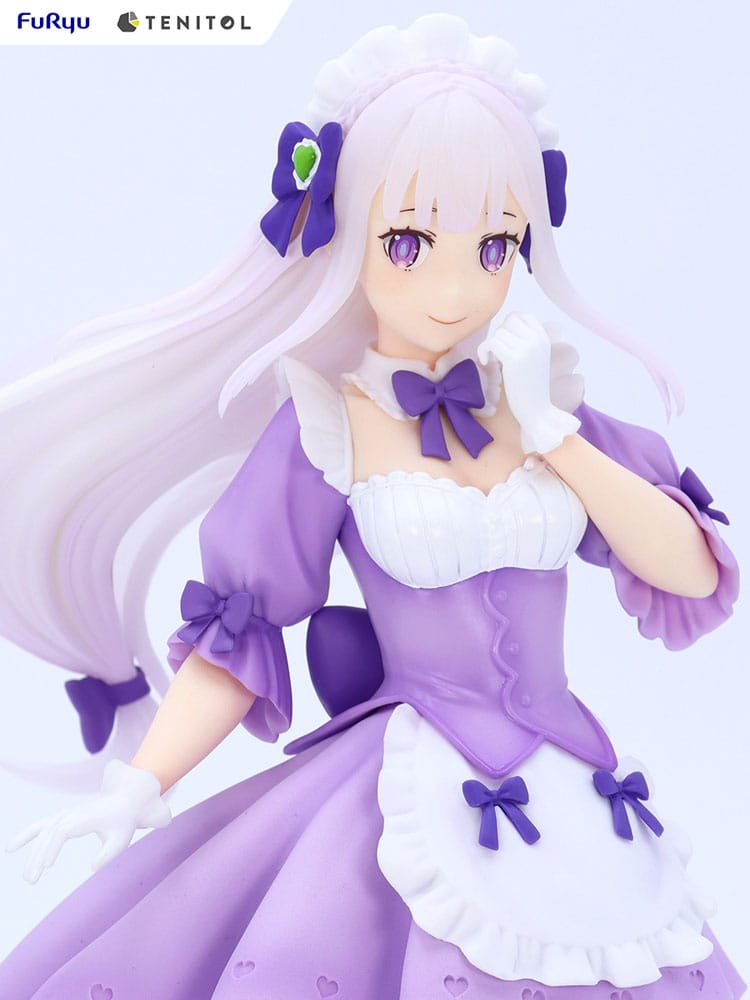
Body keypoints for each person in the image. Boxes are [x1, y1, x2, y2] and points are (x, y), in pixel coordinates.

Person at [0, 13, 744, 999]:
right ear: (348, 232)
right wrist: (141, 782)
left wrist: (553, 432)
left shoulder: (546, 400)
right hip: (402, 789)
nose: (454, 288)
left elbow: (691, 570)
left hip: (576, 786)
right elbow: (242, 625)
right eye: (409, 241)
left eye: (494, 245)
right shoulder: (328, 425)